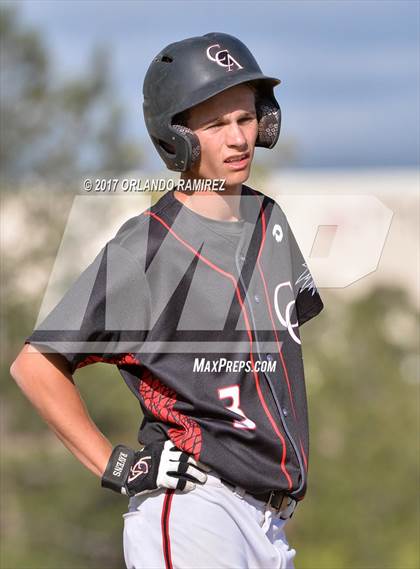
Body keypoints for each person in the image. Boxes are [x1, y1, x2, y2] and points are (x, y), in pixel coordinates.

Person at [11, 32, 324, 568]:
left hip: (268, 525)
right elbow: (35, 367)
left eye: (245, 117)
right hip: (196, 512)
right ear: (176, 137)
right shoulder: (149, 248)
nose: (237, 138)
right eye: (214, 124)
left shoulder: (271, 221)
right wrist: (118, 465)